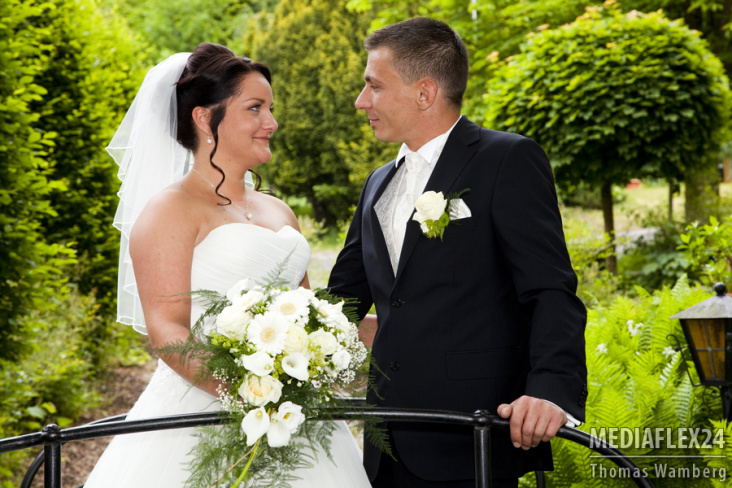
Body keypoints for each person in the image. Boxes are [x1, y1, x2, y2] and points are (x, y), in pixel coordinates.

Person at [84, 43, 371, 488]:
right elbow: (168, 333)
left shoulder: (280, 212)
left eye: (271, 109)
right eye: (256, 108)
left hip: (297, 414)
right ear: (204, 118)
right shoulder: (169, 211)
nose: (272, 124)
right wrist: (257, 397)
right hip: (201, 417)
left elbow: (308, 313)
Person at [328, 17, 588, 488]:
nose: (361, 101)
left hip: (473, 437)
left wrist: (550, 390)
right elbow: (342, 301)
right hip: (386, 442)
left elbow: (550, 290)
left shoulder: (507, 159)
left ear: (424, 92)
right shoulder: (376, 184)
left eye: (374, 86)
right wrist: (268, 343)